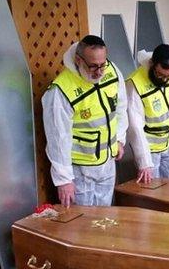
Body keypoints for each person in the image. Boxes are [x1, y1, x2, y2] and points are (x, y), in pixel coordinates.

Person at [42, 35, 128, 207]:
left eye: (102, 64)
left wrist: (119, 138)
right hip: (80, 170)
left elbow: (120, 107)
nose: (99, 72)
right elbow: (58, 138)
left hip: (107, 163)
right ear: (78, 60)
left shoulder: (111, 71)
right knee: (82, 224)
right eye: (93, 66)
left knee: (104, 219)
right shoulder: (61, 91)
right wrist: (64, 180)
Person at [126, 44, 169, 180]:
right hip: (150, 150)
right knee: (154, 192)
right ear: (151, 64)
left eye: (168, 76)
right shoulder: (135, 84)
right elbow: (135, 127)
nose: (164, 80)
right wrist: (144, 162)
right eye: (160, 75)